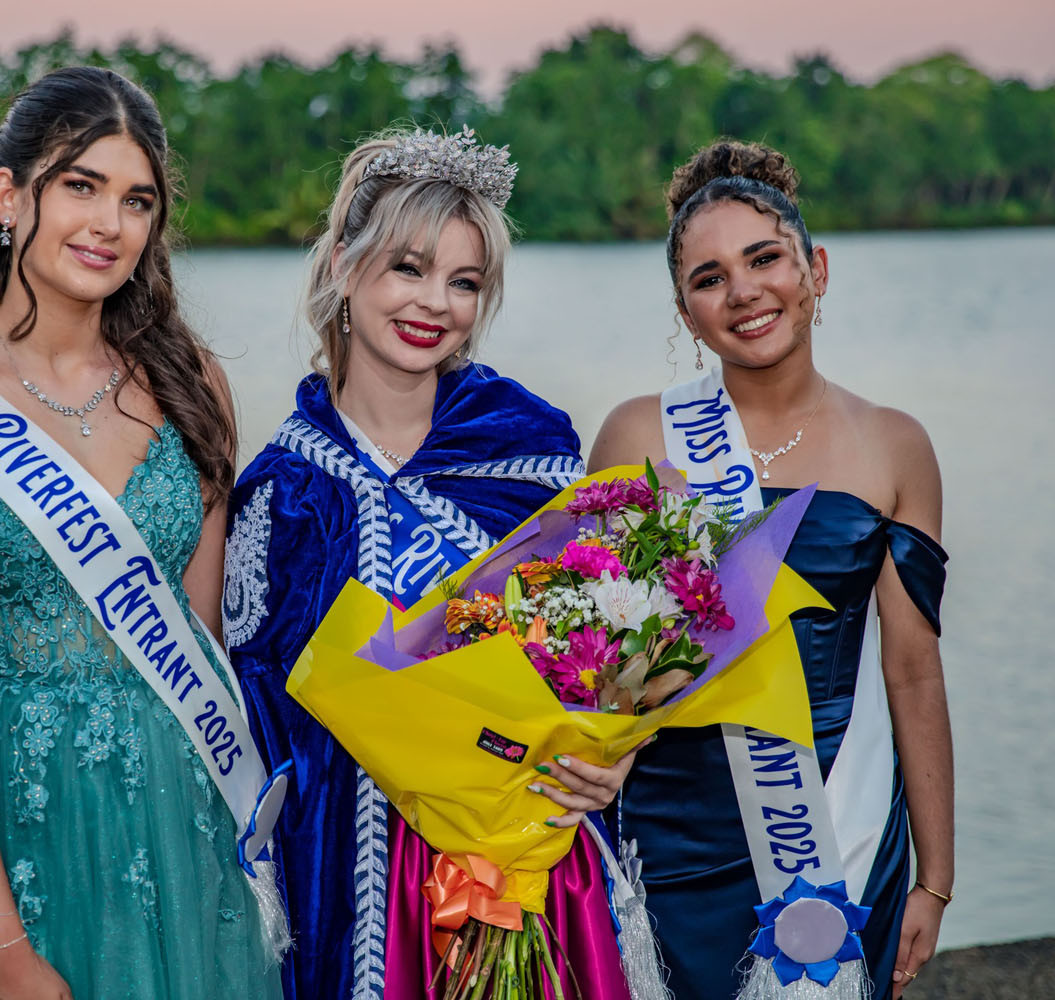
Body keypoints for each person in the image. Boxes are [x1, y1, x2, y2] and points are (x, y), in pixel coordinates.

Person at [0, 66, 283, 1000]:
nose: (108, 224)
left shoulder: (189, 383)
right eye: (79, 185)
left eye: (137, 200)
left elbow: (197, 636)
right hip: (6, 831)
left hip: (176, 816)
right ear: (10, 196)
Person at [221, 127, 639, 1000]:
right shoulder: (281, 493)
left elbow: (604, 655)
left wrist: (615, 753)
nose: (435, 304)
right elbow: (257, 721)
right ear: (345, 262)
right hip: (347, 876)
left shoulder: (528, 449)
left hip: (528, 869)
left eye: (464, 280)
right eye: (409, 268)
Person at [588, 140, 954, 999]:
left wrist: (935, 878)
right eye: (709, 278)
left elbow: (912, 672)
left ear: (815, 270)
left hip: (836, 825)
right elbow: (597, 666)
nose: (743, 291)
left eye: (764, 259)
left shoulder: (894, 445)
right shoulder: (639, 436)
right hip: (665, 838)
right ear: (686, 313)